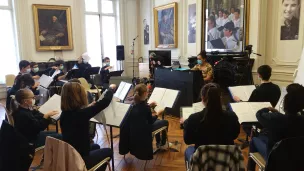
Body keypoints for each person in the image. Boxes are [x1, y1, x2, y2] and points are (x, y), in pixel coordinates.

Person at [60, 82, 116, 171]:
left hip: (70, 154)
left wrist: (89, 107)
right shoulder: (82, 114)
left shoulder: (65, 114)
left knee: (96, 146)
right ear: (78, 97)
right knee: (109, 151)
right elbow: (104, 102)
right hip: (79, 159)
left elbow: (79, 113)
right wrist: (110, 89)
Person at [247, 83, 304, 171]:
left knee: (253, 140)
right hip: (298, 160)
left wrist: (268, 109)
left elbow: (259, 114)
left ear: (286, 102)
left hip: (275, 159)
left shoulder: (276, 118)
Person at [181, 83, 240, 165]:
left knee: (188, 150)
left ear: (202, 99)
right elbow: (234, 135)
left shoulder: (194, 118)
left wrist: (186, 124)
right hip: (226, 159)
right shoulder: (232, 116)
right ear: (220, 98)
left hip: (203, 160)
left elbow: (188, 140)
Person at [9, 88, 61, 170]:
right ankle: (52, 161)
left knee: (56, 134)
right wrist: (46, 116)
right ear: (26, 101)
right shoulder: (23, 114)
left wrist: (42, 111)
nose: (34, 99)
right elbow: (39, 127)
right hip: (31, 140)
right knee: (60, 137)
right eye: (32, 97)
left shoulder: (22, 110)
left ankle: (47, 160)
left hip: (30, 135)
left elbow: (34, 116)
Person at [119, 84, 169, 160]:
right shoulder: (146, 108)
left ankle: (159, 142)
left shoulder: (132, 104)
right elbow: (151, 121)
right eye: (148, 92)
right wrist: (158, 114)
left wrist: (149, 105)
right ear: (145, 93)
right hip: (145, 130)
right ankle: (162, 144)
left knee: (158, 121)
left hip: (135, 130)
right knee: (165, 122)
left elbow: (140, 111)